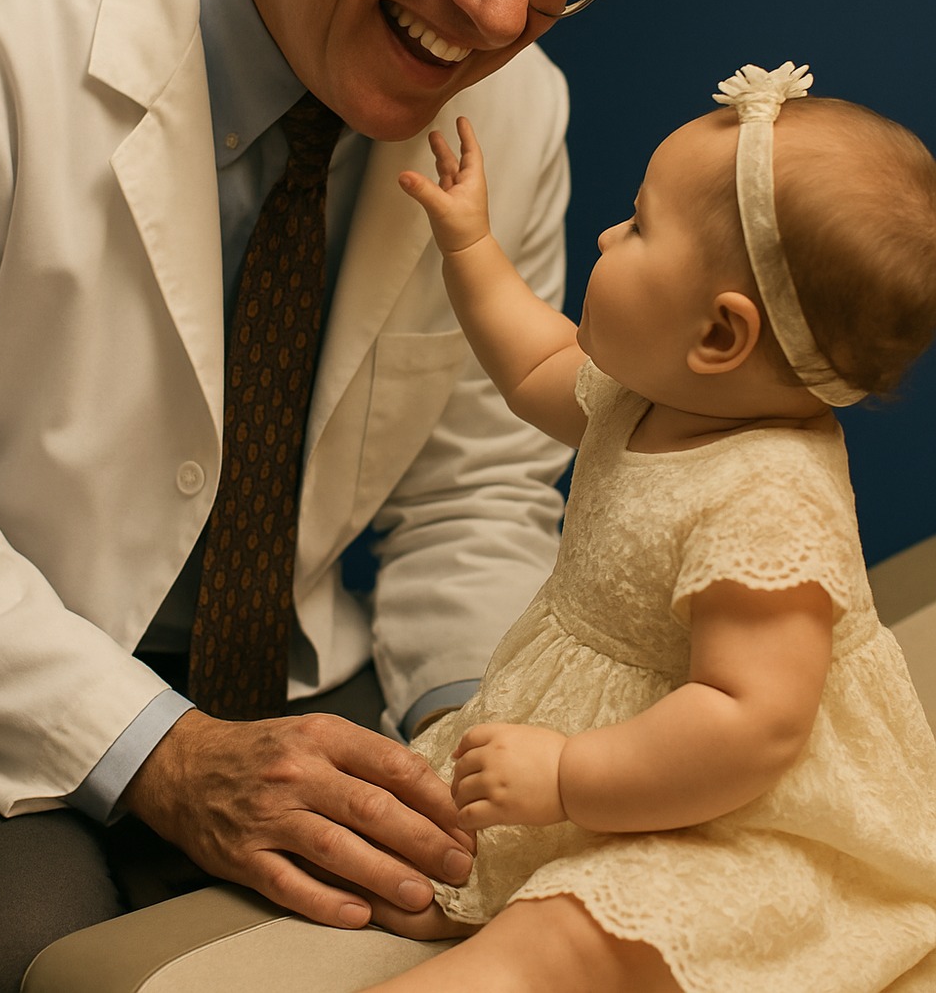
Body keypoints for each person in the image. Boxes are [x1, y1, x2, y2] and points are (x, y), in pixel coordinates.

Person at [0, 0, 660, 991]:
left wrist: (473, 737)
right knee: (24, 953)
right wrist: (162, 752)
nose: (503, 16)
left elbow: (475, 495)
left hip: (297, 670)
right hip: (2, 674)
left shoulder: (519, 111)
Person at [359, 63, 936, 992]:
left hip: (743, 814)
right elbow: (536, 357)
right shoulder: (646, 400)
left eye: (636, 224)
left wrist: (569, 776)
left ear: (719, 336)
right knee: (418, 834)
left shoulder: (769, 498)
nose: (604, 231)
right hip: (628, 755)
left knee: (570, 934)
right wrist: (470, 248)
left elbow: (750, 725)